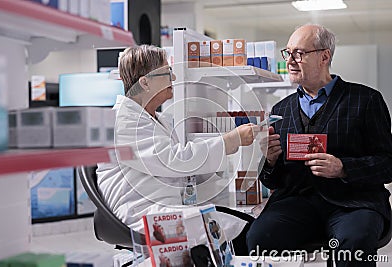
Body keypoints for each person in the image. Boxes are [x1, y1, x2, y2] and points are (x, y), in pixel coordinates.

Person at [246, 24, 392, 266]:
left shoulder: (366, 100)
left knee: (354, 240)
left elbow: (387, 163)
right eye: (288, 52)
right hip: (298, 203)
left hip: (353, 203)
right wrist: (270, 161)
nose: (290, 60)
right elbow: (272, 181)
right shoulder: (281, 110)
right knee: (259, 237)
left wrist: (343, 168)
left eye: (299, 53)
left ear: (325, 56)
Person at [97, 45, 258, 255]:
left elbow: (177, 168)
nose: (173, 77)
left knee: (239, 221)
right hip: (140, 213)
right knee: (241, 230)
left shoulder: (157, 119)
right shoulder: (122, 123)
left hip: (163, 204)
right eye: (166, 72)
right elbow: (173, 160)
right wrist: (229, 141)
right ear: (145, 82)